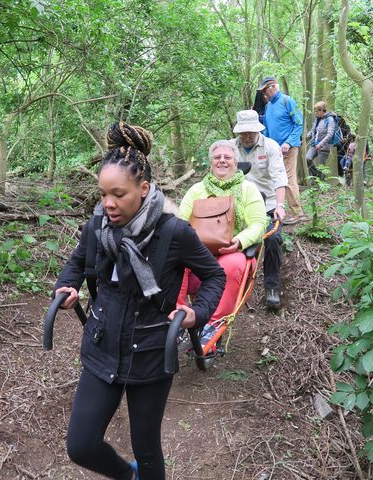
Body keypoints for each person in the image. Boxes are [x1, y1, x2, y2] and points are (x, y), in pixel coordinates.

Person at [53, 122, 226, 480]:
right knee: (80, 445)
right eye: (103, 194)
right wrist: (67, 287)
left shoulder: (174, 232)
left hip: (150, 352)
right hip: (102, 347)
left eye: (118, 194)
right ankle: (127, 476)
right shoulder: (98, 224)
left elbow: (215, 275)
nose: (108, 203)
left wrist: (198, 311)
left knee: (147, 448)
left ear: (144, 189)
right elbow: (76, 262)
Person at [177, 140, 267, 322]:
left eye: (228, 157)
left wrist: (240, 241)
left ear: (235, 162)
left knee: (231, 265)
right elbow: (180, 223)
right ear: (211, 163)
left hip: (232, 250)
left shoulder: (248, 189)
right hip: (197, 252)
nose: (222, 161)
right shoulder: (196, 190)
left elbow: (259, 223)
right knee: (174, 262)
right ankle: (177, 316)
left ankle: (211, 325)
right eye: (217, 157)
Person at [231, 109, 287, 308]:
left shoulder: (270, 147)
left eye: (250, 132)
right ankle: (236, 284)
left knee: (272, 239)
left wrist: (279, 205)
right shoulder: (230, 148)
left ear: (257, 130)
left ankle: (271, 286)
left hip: (268, 204)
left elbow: (279, 177)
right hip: (239, 205)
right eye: (242, 133)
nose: (246, 136)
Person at [256, 76, 307, 225]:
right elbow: (266, 129)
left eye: (265, 90)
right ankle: (276, 210)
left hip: (288, 148)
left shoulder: (287, 101)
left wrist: (289, 143)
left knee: (288, 179)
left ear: (273, 86)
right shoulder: (268, 106)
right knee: (274, 178)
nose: (264, 94)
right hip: (273, 149)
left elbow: (299, 124)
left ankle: (297, 213)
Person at [306, 100, 337, 179]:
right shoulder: (318, 119)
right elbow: (312, 131)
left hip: (324, 147)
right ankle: (317, 175)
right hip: (314, 144)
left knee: (321, 166)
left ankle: (322, 187)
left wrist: (321, 144)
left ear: (322, 110)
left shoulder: (330, 119)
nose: (315, 113)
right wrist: (304, 138)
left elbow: (330, 134)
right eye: (315, 111)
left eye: (317, 111)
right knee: (308, 158)